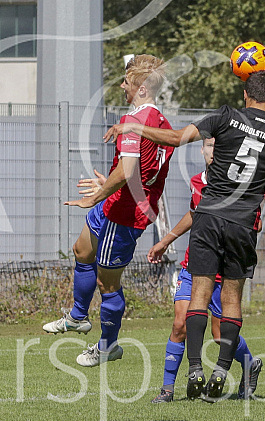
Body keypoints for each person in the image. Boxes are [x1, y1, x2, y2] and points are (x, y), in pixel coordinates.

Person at [103, 70, 265, 402]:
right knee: (231, 300)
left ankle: (195, 370)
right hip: (243, 225)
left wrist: (134, 126)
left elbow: (174, 138)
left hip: (209, 217)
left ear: (245, 94)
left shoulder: (225, 117)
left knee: (198, 297)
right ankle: (221, 369)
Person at [43, 54, 175, 368]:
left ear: (142, 88)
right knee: (81, 250)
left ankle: (108, 345)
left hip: (124, 213)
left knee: (108, 283)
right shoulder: (160, 122)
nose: (121, 86)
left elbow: (129, 171)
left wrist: (99, 193)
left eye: (127, 82)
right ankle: (77, 318)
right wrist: (111, 186)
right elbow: (146, 171)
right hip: (117, 202)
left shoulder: (135, 123)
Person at [147, 138, 262, 403]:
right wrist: (165, 241)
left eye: (219, 147)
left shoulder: (236, 185)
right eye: (209, 146)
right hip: (194, 266)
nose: (213, 151)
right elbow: (194, 212)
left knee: (220, 334)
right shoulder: (198, 181)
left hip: (222, 273)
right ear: (201, 150)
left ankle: (249, 364)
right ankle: (166, 390)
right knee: (179, 324)